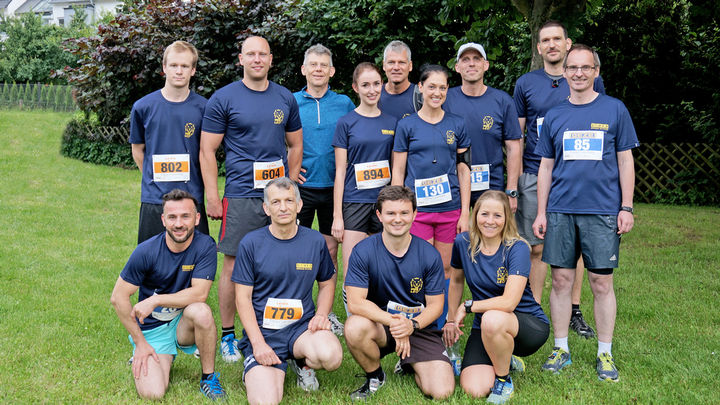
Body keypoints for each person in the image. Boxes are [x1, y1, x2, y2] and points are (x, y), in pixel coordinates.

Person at [532, 44, 639, 382]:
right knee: (561, 280)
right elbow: (546, 166)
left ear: (595, 72)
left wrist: (626, 206)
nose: (578, 73)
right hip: (561, 210)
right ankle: (560, 348)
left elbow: (625, 160)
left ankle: (604, 354)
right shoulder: (554, 115)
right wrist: (541, 211)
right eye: (572, 67)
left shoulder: (615, 109)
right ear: (564, 73)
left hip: (602, 212)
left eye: (586, 67)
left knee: (601, 282)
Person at [200, 35, 303, 363]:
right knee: (233, 265)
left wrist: (289, 188)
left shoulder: (284, 97)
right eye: (251, 54)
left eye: (263, 54)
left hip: (278, 199)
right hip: (242, 195)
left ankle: (272, 330)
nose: (257, 59)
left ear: (271, 60)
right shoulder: (224, 98)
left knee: (281, 260)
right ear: (241, 59)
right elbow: (207, 150)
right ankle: (229, 335)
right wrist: (213, 196)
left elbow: (296, 145)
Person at [513, 21, 605, 338]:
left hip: (575, 177)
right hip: (533, 172)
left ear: (568, 43)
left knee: (576, 248)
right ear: (539, 48)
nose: (551, 44)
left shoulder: (589, 77)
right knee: (535, 247)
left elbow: (600, 126)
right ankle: (535, 311)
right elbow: (517, 134)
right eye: (545, 40)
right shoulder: (526, 83)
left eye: (557, 39)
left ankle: (574, 310)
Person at [232, 177, 342, 404]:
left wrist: (321, 314)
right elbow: (242, 298)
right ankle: (256, 365)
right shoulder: (251, 243)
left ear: (299, 205)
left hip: (302, 329)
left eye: (289, 200)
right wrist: (258, 343)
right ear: (266, 208)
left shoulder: (314, 240)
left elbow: (327, 282)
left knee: (331, 356)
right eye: (276, 202)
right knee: (266, 401)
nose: (283, 207)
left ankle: (301, 361)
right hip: (265, 332)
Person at [110, 189, 226, 401]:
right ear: (163, 220)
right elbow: (118, 298)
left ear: (197, 218)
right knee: (153, 393)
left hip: (184, 322)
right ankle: (151, 353)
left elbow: (200, 293)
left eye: (185, 216)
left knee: (202, 311)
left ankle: (208, 378)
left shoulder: (205, 245)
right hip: (153, 330)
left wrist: (156, 299)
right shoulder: (146, 251)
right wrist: (141, 343)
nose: (179, 224)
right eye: (172, 217)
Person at [344, 185, 455, 401]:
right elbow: (356, 303)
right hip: (381, 326)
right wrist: (397, 324)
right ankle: (375, 376)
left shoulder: (429, 254)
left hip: (420, 327)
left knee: (442, 392)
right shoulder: (363, 251)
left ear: (414, 214)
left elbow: (436, 306)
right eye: (391, 213)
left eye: (404, 213)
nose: (398, 219)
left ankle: (409, 363)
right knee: (354, 326)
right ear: (379, 215)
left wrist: (411, 325)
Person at [444, 191, 549, 404]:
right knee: (473, 388)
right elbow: (455, 281)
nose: (490, 221)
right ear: (475, 216)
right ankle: (503, 357)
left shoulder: (517, 248)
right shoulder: (463, 242)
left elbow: (509, 302)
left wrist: (468, 306)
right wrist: (451, 320)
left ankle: (503, 379)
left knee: (493, 317)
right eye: (484, 214)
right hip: (486, 328)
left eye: (497, 216)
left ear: (506, 219)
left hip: (527, 324)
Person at [391, 64, 471, 329]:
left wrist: (466, 212)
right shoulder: (406, 125)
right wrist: (396, 209)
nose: (437, 92)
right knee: (418, 271)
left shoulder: (457, 124)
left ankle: (445, 326)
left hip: (450, 210)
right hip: (418, 212)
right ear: (421, 88)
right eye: (432, 86)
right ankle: (417, 325)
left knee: (446, 270)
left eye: (443, 88)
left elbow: (463, 168)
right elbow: (399, 170)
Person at [293, 44, 355, 336]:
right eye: (312, 64)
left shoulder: (343, 103)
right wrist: (288, 166)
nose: (318, 69)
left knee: (330, 250)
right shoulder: (290, 102)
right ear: (303, 69)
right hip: (301, 189)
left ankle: (326, 312)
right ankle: (297, 308)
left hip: (334, 188)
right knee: (296, 249)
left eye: (323, 65)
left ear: (331, 71)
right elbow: (277, 139)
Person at [331, 62, 397, 313]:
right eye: (366, 85)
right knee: (352, 265)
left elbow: (396, 168)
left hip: (383, 203)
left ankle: (381, 312)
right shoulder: (346, 123)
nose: (372, 90)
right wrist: (338, 215)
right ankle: (354, 318)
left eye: (376, 84)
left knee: (382, 263)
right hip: (354, 202)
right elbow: (340, 170)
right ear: (355, 88)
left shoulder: (392, 122)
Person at [129, 41, 209, 244]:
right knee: (151, 263)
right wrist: (155, 178)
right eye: (174, 65)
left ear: (193, 70)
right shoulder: (143, 107)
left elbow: (208, 152)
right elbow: (138, 150)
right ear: (164, 68)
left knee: (195, 263)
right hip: (155, 199)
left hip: (191, 199)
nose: (179, 71)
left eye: (184, 66)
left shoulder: (205, 108)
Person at [444, 43, 522, 209]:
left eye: (476, 59)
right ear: (457, 67)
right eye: (465, 59)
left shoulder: (503, 101)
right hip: (452, 187)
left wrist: (512, 190)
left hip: (491, 188)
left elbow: (513, 148)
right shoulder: (445, 99)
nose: (471, 63)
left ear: (486, 65)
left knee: (492, 234)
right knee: (457, 235)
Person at [378, 40, 423, 120]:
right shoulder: (374, 95)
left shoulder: (421, 97)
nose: (396, 67)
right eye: (391, 62)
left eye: (401, 62)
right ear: (384, 65)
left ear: (410, 66)